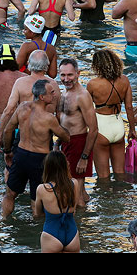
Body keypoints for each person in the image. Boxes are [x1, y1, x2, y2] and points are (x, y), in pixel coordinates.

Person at [0, 79, 70, 218]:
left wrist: (7, 151)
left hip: (20, 155)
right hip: (39, 160)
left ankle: (4, 220)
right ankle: (38, 232)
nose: (55, 94)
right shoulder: (48, 118)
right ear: (42, 97)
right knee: (37, 200)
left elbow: (8, 131)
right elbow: (66, 137)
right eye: (51, 92)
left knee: (10, 194)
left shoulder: (22, 108)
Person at [0, 50, 61, 153]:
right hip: (45, 138)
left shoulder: (20, 83)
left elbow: (9, 110)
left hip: (24, 137)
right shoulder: (53, 85)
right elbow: (59, 115)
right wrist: (59, 141)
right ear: (47, 64)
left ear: (29, 64)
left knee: (14, 167)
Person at [86, 49, 136, 179]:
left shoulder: (92, 84)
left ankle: (106, 198)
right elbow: (129, 108)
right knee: (120, 173)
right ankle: (121, 196)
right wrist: (132, 129)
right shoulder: (124, 80)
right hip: (118, 127)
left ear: (97, 65)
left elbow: (86, 110)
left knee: (103, 177)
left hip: (101, 128)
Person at [56, 58, 97, 207]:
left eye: (70, 75)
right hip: (67, 143)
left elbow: (93, 129)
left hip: (79, 144)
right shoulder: (65, 94)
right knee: (79, 191)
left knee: (75, 195)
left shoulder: (82, 96)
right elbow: (64, 122)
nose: (66, 79)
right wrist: (58, 143)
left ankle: (81, 226)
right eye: (62, 75)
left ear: (78, 74)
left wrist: (84, 157)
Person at [33, 150, 81, 253]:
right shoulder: (74, 184)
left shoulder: (42, 189)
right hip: (72, 234)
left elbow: (38, 214)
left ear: (48, 167)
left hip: (51, 234)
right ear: (65, 166)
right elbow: (74, 210)